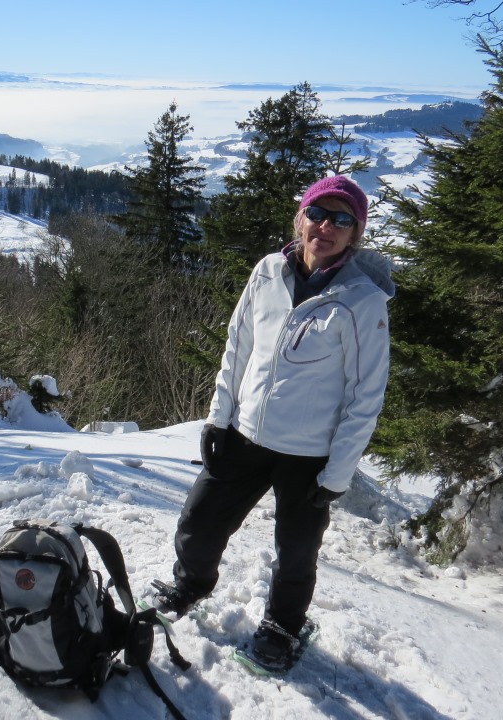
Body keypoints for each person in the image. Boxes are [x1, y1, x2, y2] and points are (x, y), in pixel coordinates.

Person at [152, 175, 395, 670]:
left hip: (309, 455)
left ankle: (283, 625)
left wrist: (336, 475)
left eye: (341, 219)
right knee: (200, 521)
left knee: (296, 550)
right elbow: (237, 346)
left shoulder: (362, 301)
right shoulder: (268, 272)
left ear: (355, 233)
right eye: (317, 213)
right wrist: (219, 418)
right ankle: (189, 584)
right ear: (300, 218)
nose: (325, 226)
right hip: (246, 435)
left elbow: (365, 397)